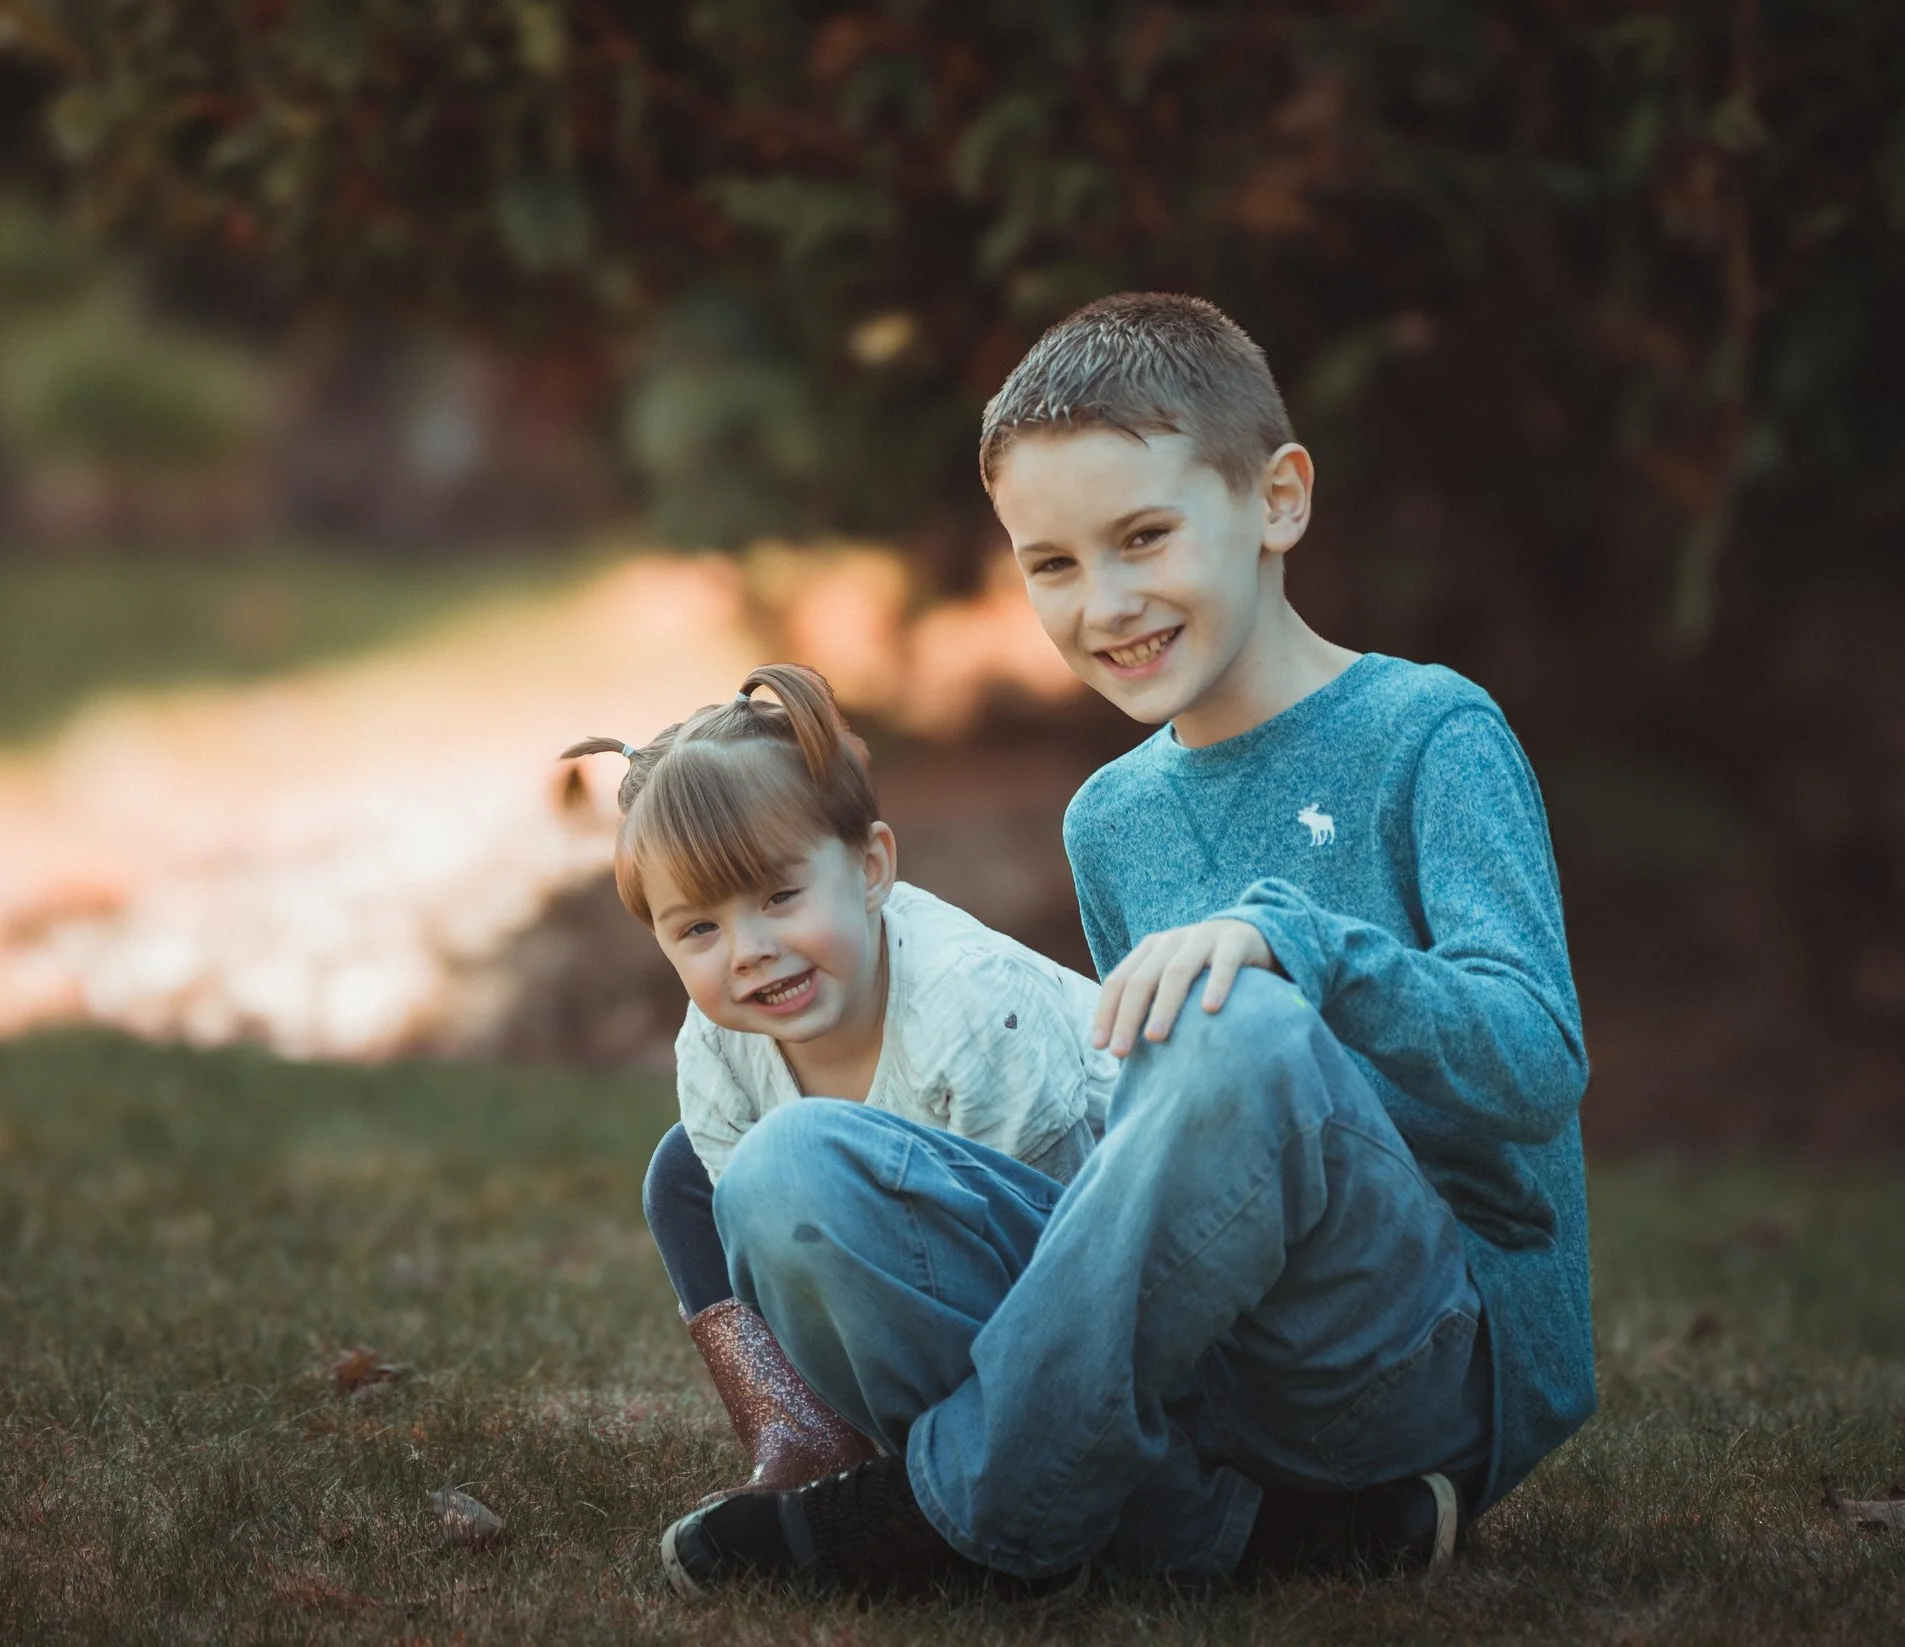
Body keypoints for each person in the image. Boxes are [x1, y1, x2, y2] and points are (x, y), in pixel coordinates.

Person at [661, 293, 1593, 1597]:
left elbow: (1539, 1064)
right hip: (1213, 1363)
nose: (1103, 603)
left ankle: (949, 1511)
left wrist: (1297, 947)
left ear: (1277, 501)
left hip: (1412, 1352)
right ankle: (1233, 1532)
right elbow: (1145, 1147)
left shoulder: (1431, 730)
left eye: (1144, 536)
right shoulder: (1113, 816)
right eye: (1050, 562)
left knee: (1238, 1017)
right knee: (781, 1169)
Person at [562, 663, 1115, 1501]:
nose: (749, 949)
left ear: (870, 867)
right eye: (700, 927)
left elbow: (1070, 1246)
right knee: (683, 1172)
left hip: (1091, 1260)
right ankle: (804, 1436)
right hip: (918, 1246)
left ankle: (973, 1452)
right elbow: (767, 1240)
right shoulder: (716, 1046)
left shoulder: (971, 1008)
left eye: (781, 895)